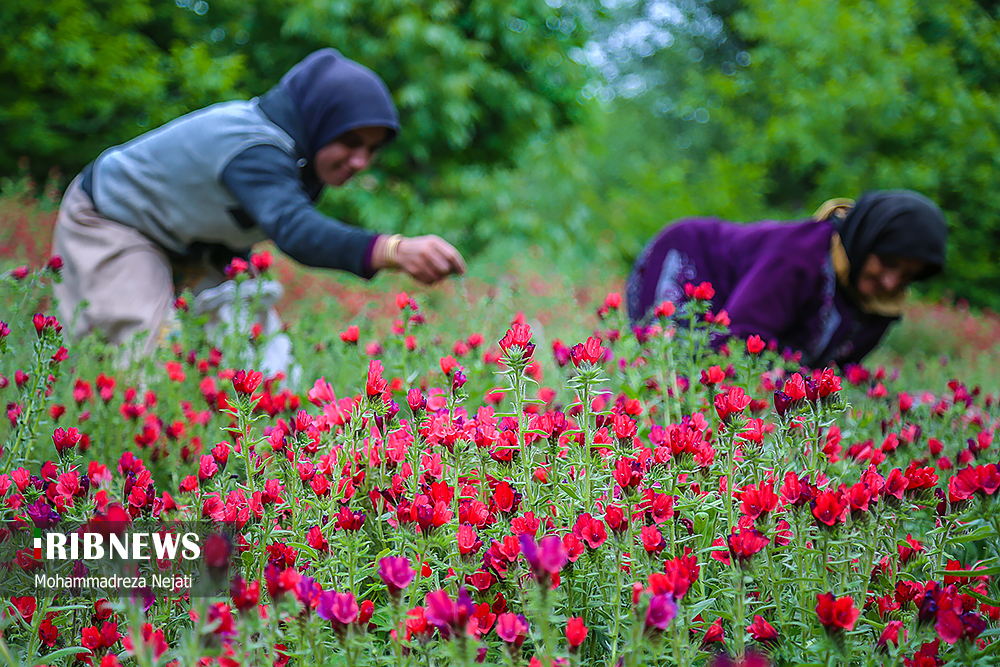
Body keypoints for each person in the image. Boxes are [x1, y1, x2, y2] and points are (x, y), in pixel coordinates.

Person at [52, 48, 466, 371]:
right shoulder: (254, 146)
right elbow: (296, 230)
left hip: (200, 246)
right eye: (351, 141)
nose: (360, 161)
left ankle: (271, 470)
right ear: (320, 122)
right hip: (115, 221)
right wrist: (394, 250)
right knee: (146, 366)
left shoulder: (301, 156)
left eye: (372, 149)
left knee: (267, 364)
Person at [626, 190, 948, 367]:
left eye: (907, 276)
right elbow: (742, 335)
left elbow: (835, 369)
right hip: (691, 259)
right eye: (888, 262)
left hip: (731, 303)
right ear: (865, 240)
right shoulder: (799, 256)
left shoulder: (881, 299)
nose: (891, 282)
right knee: (672, 363)